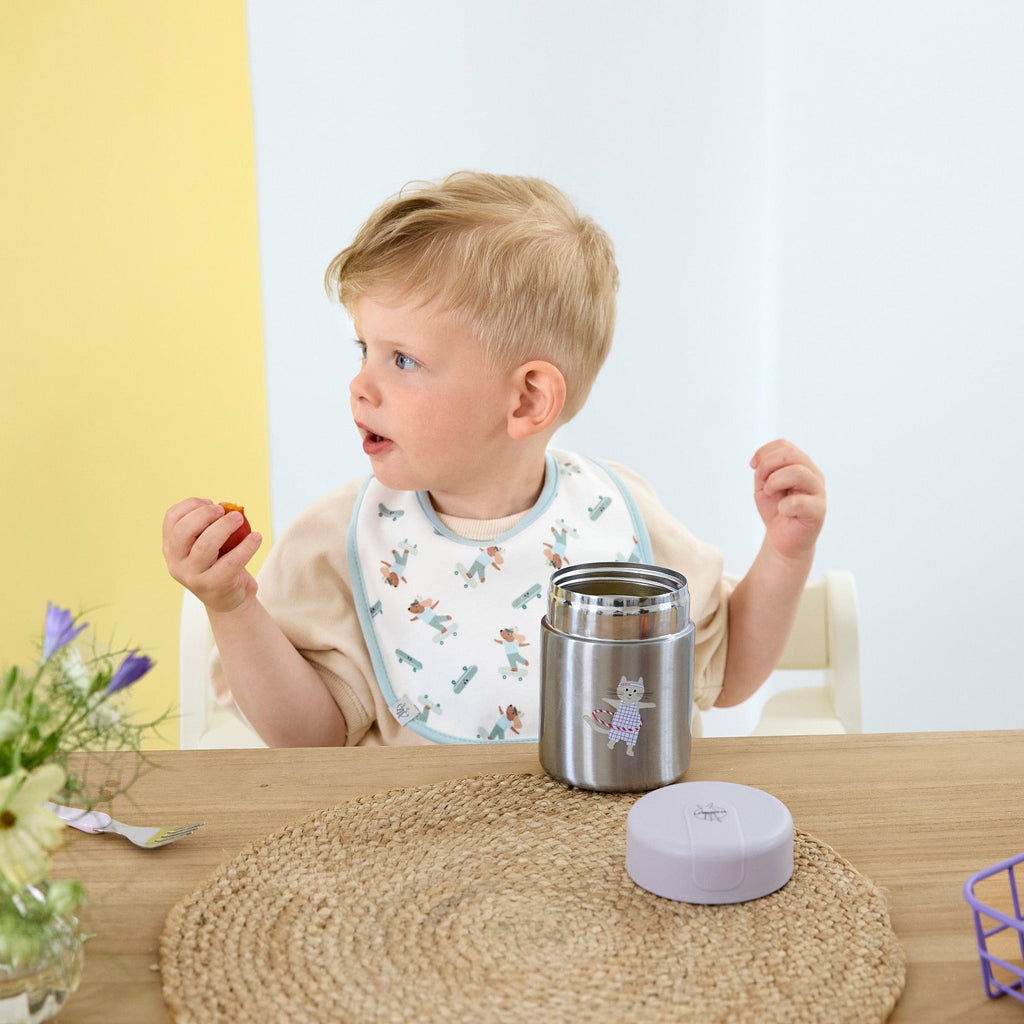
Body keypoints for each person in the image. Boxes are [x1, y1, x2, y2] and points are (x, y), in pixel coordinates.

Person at [162, 172, 826, 748]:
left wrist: (786, 551)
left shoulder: (616, 516)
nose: (360, 385)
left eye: (402, 360)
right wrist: (231, 604)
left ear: (528, 399)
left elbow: (728, 673)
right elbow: (309, 738)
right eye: (362, 348)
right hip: (417, 861)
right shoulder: (339, 542)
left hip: (604, 857)